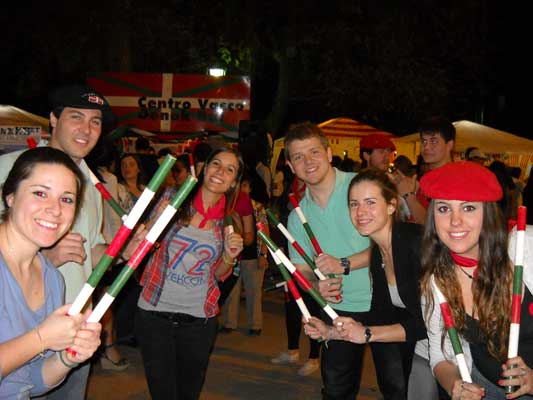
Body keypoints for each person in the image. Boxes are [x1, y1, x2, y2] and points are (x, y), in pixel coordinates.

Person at [0, 84, 144, 399]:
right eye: (76, 117)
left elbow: (89, 254)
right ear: (53, 119)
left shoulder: (91, 185)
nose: (87, 129)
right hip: (21, 326)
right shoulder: (10, 167)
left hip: (71, 329)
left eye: (95, 122)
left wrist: (123, 251)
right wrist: (44, 255)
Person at [303, 169, 431, 399]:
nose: (360, 212)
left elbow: (432, 322)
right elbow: (380, 314)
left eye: (370, 202)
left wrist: (369, 334)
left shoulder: (415, 243)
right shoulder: (378, 255)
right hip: (408, 344)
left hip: (439, 353)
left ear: (391, 206)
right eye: (354, 204)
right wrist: (331, 332)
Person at [135, 147, 245, 400]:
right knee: (162, 392)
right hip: (154, 312)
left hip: (199, 319)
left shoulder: (229, 222)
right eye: (216, 164)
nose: (220, 172)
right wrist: (154, 222)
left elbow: (218, 274)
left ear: (233, 183)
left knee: (189, 392)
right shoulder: (173, 199)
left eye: (230, 169)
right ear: (205, 168)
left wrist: (229, 256)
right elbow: (138, 246)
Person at [419, 161, 533, 400]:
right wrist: (455, 385)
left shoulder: (525, 249)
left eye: (468, 208)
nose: (455, 220)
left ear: (487, 213)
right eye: (443, 209)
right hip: (484, 387)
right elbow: (441, 356)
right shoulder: (437, 281)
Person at [0, 147, 102, 399]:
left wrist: (68, 357)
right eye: (40, 193)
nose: (55, 209)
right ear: (10, 196)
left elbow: (30, 381)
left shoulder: (52, 278)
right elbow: (39, 342)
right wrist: (41, 338)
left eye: (66, 199)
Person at [284, 121, 373, 399]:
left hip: (385, 301)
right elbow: (301, 270)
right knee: (335, 389)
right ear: (290, 166)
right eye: (298, 157)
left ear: (329, 153)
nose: (308, 161)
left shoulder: (360, 187)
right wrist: (316, 285)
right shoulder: (297, 215)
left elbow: (389, 246)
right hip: (338, 310)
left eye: (314, 152)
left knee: (398, 386)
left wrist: (343, 264)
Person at [221, 168, 269, 336]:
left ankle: (255, 325)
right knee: (231, 290)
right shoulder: (228, 204)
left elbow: (265, 233)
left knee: (253, 291)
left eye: (246, 185)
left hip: (252, 255)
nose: (243, 189)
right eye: (240, 185)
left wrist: (264, 254)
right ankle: (229, 322)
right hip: (234, 254)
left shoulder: (257, 207)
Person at [395, 116, 455, 224]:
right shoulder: (427, 178)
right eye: (423, 141)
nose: (426, 147)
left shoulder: (452, 179)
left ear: (449, 145)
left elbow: (433, 226)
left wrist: (408, 195)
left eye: (434, 141)